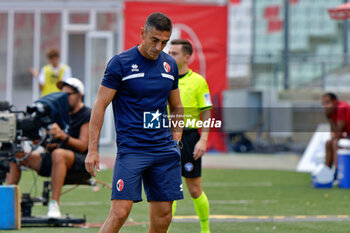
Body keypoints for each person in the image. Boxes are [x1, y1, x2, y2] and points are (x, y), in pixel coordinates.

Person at [85, 12, 184, 233]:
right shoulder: (121, 63)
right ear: (142, 33)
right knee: (120, 212)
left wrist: (176, 140)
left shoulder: (170, 65)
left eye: (164, 43)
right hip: (133, 150)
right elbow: (100, 105)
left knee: (164, 217)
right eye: (154, 40)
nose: (159, 47)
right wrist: (93, 150)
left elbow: (177, 106)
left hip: (163, 151)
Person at [6, 77, 91, 218]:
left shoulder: (86, 114)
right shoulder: (59, 113)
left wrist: (62, 136)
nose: (64, 99)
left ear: (79, 95)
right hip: (57, 159)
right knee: (17, 156)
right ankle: (6, 203)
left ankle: (54, 204)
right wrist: (39, 140)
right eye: (61, 95)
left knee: (58, 154)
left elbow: (83, 146)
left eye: (67, 95)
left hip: (82, 162)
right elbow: (52, 145)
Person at [168, 39, 212, 233]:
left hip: (189, 138)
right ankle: (164, 229)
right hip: (167, 137)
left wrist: (203, 140)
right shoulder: (165, 78)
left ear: (187, 57)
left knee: (194, 190)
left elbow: (207, 112)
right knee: (169, 189)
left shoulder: (198, 81)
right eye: (169, 52)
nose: (169, 56)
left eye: (174, 53)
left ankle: (205, 229)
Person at [322, 92, 350, 176]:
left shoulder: (341, 107)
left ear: (334, 101)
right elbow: (334, 133)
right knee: (328, 142)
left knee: (335, 143)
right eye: (323, 104)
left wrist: (329, 118)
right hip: (346, 135)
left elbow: (338, 131)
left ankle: (338, 173)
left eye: (327, 103)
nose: (325, 106)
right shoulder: (332, 112)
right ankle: (326, 173)